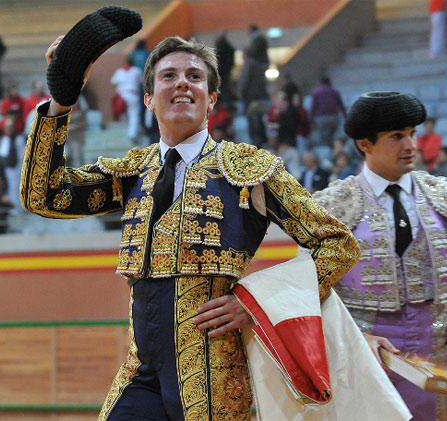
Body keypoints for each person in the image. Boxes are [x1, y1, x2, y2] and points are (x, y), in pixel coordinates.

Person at [21, 13, 359, 419]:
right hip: (140, 371)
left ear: (211, 99)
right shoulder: (132, 172)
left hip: (214, 375)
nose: (182, 82)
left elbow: (337, 244)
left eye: (194, 76)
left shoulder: (246, 169)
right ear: (148, 99)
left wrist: (258, 304)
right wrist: (62, 101)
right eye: (168, 76)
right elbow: (45, 195)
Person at [313, 91, 447, 421]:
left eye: (412, 134)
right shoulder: (330, 206)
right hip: (365, 350)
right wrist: (355, 336)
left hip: (438, 345)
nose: (410, 145)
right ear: (365, 143)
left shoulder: (444, 195)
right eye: (397, 136)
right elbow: (311, 291)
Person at [110, 57, 143, 144]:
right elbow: (142, 82)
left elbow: (113, 81)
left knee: (125, 115)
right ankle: (132, 134)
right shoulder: (136, 70)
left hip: (122, 95)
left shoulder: (119, 71)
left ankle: (128, 132)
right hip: (132, 94)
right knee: (134, 114)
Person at [310, 77, 346, 148]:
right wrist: (345, 116)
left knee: (323, 139)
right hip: (334, 117)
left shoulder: (317, 92)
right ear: (329, 83)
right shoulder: (334, 91)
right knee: (333, 137)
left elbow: (313, 107)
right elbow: (341, 105)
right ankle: (334, 150)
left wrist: (311, 119)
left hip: (322, 119)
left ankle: (327, 153)